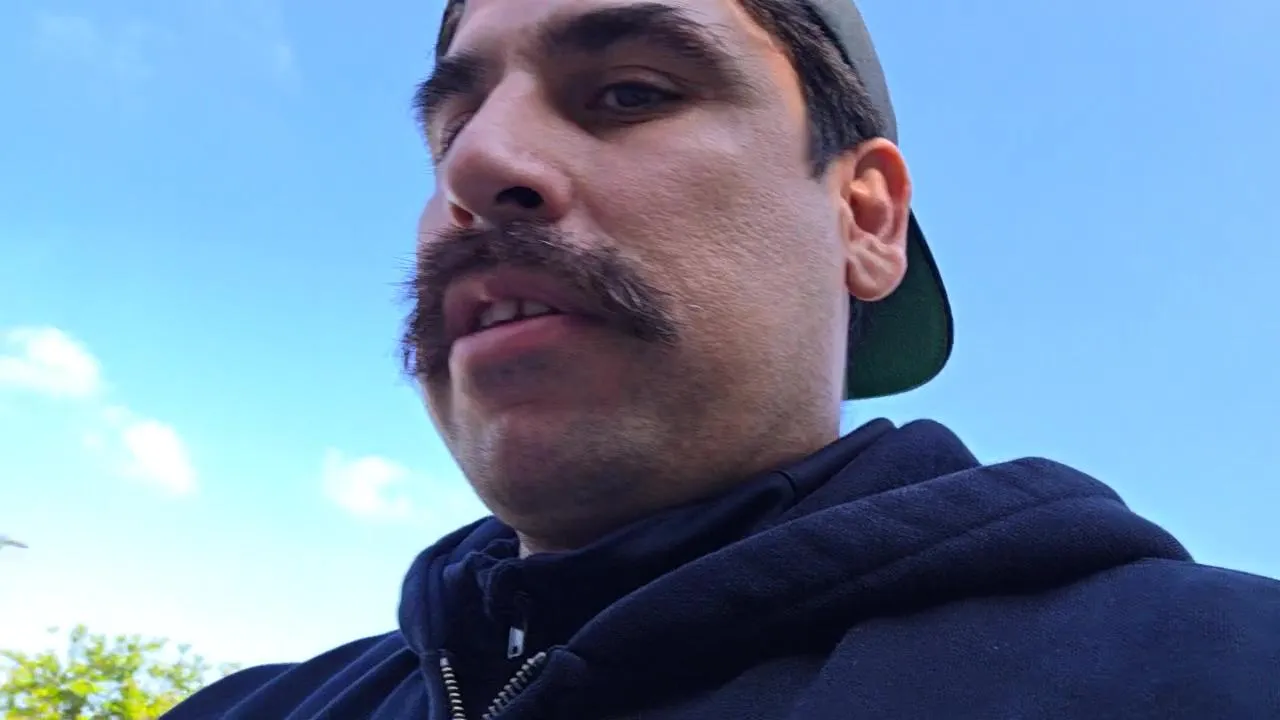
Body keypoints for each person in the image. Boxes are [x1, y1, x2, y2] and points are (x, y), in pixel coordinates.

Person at [165, 0, 1280, 717]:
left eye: (631, 93)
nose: (480, 164)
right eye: (451, 132)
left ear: (865, 220)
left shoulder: (1215, 671)